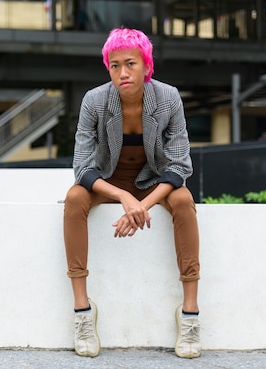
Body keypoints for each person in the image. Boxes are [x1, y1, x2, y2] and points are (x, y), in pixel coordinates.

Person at [63, 27, 201, 359]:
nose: (122, 73)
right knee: (74, 198)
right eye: (114, 66)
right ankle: (83, 312)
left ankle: (190, 315)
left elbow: (180, 165)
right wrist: (125, 199)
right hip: (109, 182)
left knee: (183, 200)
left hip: (152, 181)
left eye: (130, 64)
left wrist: (141, 204)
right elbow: (82, 166)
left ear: (146, 64)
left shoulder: (168, 98)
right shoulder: (95, 101)